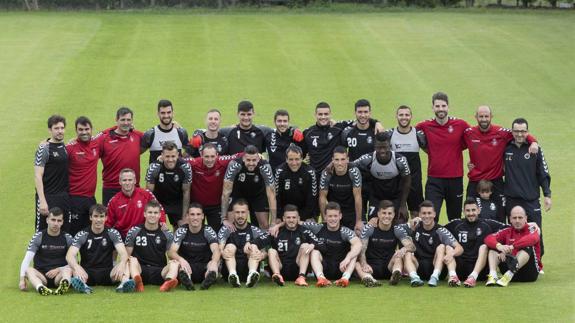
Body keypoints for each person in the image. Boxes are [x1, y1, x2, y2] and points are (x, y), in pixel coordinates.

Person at [464, 105, 538, 222]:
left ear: (491, 116)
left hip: (496, 181)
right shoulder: (468, 133)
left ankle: (501, 240)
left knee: (501, 216)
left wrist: (533, 142)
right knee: (471, 215)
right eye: (481, 116)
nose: (484, 119)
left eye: (486, 116)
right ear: (476, 117)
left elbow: (520, 133)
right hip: (475, 181)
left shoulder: (501, 132)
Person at [416, 92, 470, 221]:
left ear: (448, 107)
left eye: (443, 106)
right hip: (434, 180)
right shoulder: (424, 126)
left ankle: (452, 242)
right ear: (433, 107)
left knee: (455, 218)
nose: (441, 109)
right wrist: (376, 123)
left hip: (455, 179)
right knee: (430, 217)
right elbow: (406, 131)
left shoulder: (460, 124)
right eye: (437, 106)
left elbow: (477, 137)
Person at [504, 118, 551, 256]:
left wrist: (547, 195)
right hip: (512, 200)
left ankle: (538, 261)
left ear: (527, 132)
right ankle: (513, 259)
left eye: (523, 131)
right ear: (512, 132)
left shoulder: (535, 149)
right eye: (516, 131)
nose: (519, 134)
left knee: (536, 230)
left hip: (531, 199)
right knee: (513, 231)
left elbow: (543, 172)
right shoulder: (506, 147)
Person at [66, 204, 135, 293]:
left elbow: (123, 253)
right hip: (87, 273)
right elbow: (69, 255)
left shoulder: (112, 233)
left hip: (108, 273)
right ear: (90, 217)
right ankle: (84, 286)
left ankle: (124, 283)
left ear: (106, 218)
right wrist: (76, 267)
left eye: (101, 216)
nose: (98, 220)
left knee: (127, 261)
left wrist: (121, 263)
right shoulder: (82, 234)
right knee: (73, 266)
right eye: (95, 216)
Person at [444, 198, 506, 287]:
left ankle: (473, 277)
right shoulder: (456, 224)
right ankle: (453, 276)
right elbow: (438, 229)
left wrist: (529, 225)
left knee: (484, 247)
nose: (471, 213)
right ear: (463, 211)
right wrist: (420, 222)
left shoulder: (487, 224)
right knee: (448, 247)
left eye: (473, 210)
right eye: (468, 210)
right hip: (461, 268)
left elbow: (508, 229)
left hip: (480, 270)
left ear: (478, 210)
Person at [352, 132, 411, 223]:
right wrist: (332, 164)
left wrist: (403, 205)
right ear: (374, 147)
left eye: (385, 147)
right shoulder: (368, 159)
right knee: (373, 223)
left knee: (399, 223)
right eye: (379, 147)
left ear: (390, 146)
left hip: (395, 197)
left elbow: (407, 181)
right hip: (376, 198)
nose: (382, 151)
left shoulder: (400, 161)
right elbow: (350, 165)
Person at [403, 200, 463, 287]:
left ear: (434, 214)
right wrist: (410, 223)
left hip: (436, 266)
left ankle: (434, 277)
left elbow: (460, 248)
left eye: (429, 213)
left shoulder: (441, 230)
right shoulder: (414, 226)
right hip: (418, 267)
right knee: (407, 252)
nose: (427, 216)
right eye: (424, 213)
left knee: (442, 247)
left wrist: (451, 254)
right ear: (419, 215)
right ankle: (414, 278)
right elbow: (397, 229)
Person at [355, 200, 415, 287]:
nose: (387, 216)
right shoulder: (369, 228)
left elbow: (412, 247)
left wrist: (404, 249)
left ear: (394, 215)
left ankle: (395, 274)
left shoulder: (397, 229)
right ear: (378, 214)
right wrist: (364, 264)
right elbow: (362, 250)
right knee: (357, 264)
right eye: (384, 213)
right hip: (371, 268)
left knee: (398, 257)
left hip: (389, 267)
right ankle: (368, 279)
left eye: (390, 213)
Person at [125, 200, 179, 292]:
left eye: (155, 213)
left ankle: (168, 282)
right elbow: (127, 255)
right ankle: (138, 282)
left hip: (159, 271)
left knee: (174, 263)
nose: (152, 215)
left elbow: (171, 255)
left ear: (159, 215)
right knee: (131, 260)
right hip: (140, 270)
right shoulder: (134, 231)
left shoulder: (167, 234)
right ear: (145, 214)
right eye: (150, 212)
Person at [19, 208, 73, 295]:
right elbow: (27, 259)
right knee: (29, 270)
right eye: (53, 220)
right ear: (47, 220)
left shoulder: (68, 238)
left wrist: (59, 269)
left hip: (59, 276)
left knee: (68, 270)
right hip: (41, 276)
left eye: (59, 221)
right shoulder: (38, 237)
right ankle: (41, 288)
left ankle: (63, 285)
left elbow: (74, 262)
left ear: (62, 222)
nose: (56, 223)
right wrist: (22, 280)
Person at [307, 202, 362, 288]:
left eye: (335, 216)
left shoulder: (345, 231)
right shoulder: (318, 227)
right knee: (314, 252)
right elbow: (296, 222)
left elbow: (358, 244)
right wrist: (280, 224)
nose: (333, 219)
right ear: (325, 217)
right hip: (324, 267)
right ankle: (321, 278)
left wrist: (348, 258)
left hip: (342, 268)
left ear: (340, 216)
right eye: (330, 216)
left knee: (353, 254)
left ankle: (345, 279)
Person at [221, 145, 276, 229]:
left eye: (254, 160)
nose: (251, 163)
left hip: (258, 195)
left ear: (258, 158)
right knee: (231, 225)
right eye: (248, 160)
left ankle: (261, 242)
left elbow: (271, 195)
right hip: (238, 194)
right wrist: (224, 218)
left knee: (264, 225)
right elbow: (226, 192)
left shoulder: (265, 167)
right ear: (243, 158)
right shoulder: (234, 165)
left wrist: (273, 223)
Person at [188, 143, 240, 232]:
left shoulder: (222, 161)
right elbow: (177, 160)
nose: (210, 160)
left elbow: (239, 155)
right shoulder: (194, 163)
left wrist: (256, 154)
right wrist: (161, 159)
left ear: (217, 155)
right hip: (197, 206)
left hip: (216, 207)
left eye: (212, 156)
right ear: (201, 155)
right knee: (195, 232)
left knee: (217, 233)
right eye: (206, 156)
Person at [484, 206, 542, 287]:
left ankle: (509, 274)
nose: (517, 221)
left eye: (520, 218)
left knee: (527, 246)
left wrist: (512, 247)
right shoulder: (507, 231)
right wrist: (500, 246)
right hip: (508, 270)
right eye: (514, 218)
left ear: (526, 218)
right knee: (493, 247)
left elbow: (533, 238)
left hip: (529, 274)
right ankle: (493, 276)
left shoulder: (532, 229)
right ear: (510, 219)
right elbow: (488, 238)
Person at [168, 203, 220, 291]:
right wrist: (181, 259)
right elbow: (171, 252)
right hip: (187, 266)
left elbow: (216, 250)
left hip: (205, 266)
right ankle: (186, 278)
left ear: (203, 216)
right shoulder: (181, 231)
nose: (195, 218)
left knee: (214, 263)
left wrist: (214, 262)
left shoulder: (208, 230)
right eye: (192, 214)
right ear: (187, 216)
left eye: (198, 214)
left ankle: (209, 276)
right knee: (179, 265)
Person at [218, 199, 270, 288]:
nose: (240, 216)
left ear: (248, 213)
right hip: (229, 267)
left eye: (243, 212)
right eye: (237, 212)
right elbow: (219, 248)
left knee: (253, 247)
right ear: (233, 213)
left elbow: (265, 252)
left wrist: (261, 255)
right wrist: (222, 252)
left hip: (249, 265)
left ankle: (252, 274)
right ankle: (233, 275)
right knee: (230, 246)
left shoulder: (255, 230)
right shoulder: (226, 229)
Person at [268, 204, 323, 287]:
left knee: (305, 246)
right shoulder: (276, 231)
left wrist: (312, 245)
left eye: (294, 217)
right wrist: (252, 246)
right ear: (283, 219)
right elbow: (259, 241)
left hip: (298, 267)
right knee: (271, 251)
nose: (291, 220)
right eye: (288, 217)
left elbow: (320, 243)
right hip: (281, 267)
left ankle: (301, 277)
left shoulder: (305, 231)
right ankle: (277, 276)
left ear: (298, 218)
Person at [387, 105, 427, 218]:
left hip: (415, 182)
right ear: (396, 116)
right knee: (398, 215)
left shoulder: (418, 134)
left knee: (416, 214)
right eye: (401, 115)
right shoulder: (390, 134)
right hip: (397, 183)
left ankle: (416, 235)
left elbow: (431, 152)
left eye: (407, 115)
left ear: (411, 116)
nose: (404, 117)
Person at [99, 107, 144, 205]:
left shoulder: (137, 136)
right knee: (110, 219)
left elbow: (154, 136)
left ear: (132, 121)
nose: (126, 123)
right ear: (116, 120)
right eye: (123, 120)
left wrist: (176, 127)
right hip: (111, 188)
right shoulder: (104, 138)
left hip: (133, 187)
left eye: (128, 120)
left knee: (134, 218)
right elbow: (90, 148)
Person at [341, 99, 378, 220]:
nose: (363, 115)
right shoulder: (347, 132)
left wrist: (377, 122)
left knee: (375, 218)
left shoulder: (376, 131)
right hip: (355, 180)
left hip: (374, 180)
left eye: (366, 112)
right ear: (355, 113)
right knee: (358, 217)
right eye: (360, 112)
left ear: (370, 112)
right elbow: (341, 153)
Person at [34, 114, 71, 232]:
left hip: (64, 198)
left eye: (62, 128)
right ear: (50, 130)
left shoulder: (65, 147)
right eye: (56, 128)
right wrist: (42, 201)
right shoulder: (44, 148)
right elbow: (37, 175)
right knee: (42, 233)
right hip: (48, 197)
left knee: (64, 232)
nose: (60, 131)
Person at [106, 168, 166, 238]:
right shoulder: (114, 201)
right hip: (123, 237)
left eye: (130, 180)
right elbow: (108, 223)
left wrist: (162, 222)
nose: (127, 183)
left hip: (144, 235)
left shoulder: (146, 194)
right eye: (124, 180)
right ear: (120, 182)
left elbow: (159, 208)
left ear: (135, 181)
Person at [145, 142, 192, 228]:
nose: (170, 159)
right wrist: (150, 213)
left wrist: (184, 216)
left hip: (177, 201)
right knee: (156, 227)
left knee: (182, 227)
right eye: (167, 156)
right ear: (162, 155)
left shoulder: (185, 167)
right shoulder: (154, 167)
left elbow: (186, 192)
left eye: (173, 156)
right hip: (159, 201)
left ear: (178, 155)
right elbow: (148, 193)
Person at [66, 116, 100, 236]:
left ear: (91, 129)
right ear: (76, 131)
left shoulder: (96, 144)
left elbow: (106, 132)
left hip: (91, 199)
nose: (84, 132)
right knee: (73, 235)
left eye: (87, 129)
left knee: (90, 235)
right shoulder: (70, 148)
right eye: (80, 130)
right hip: (74, 199)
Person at [319, 147, 362, 232]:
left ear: (347, 159)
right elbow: (322, 197)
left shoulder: (354, 172)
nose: (340, 163)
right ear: (332, 160)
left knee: (358, 234)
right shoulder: (326, 173)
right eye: (337, 159)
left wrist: (358, 221)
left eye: (343, 159)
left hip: (351, 211)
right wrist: (324, 219)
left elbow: (358, 197)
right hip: (334, 212)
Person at [275, 145, 318, 221]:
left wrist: (298, 218)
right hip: (285, 214)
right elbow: (277, 198)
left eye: (297, 159)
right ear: (286, 159)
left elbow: (312, 200)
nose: (294, 163)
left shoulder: (310, 172)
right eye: (291, 159)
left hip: (306, 214)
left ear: (302, 159)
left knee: (311, 224)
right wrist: (283, 216)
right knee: (276, 226)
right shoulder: (279, 171)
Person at [141, 99, 191, 164]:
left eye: (169, 112)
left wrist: (181, 159)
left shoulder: (181, 132)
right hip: (157, 174)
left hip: (177, 174)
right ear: (158, 114)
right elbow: (136, 153)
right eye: (163, 113)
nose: (166, 116)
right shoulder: (150, 134)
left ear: (173, 113)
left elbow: (190, 151)